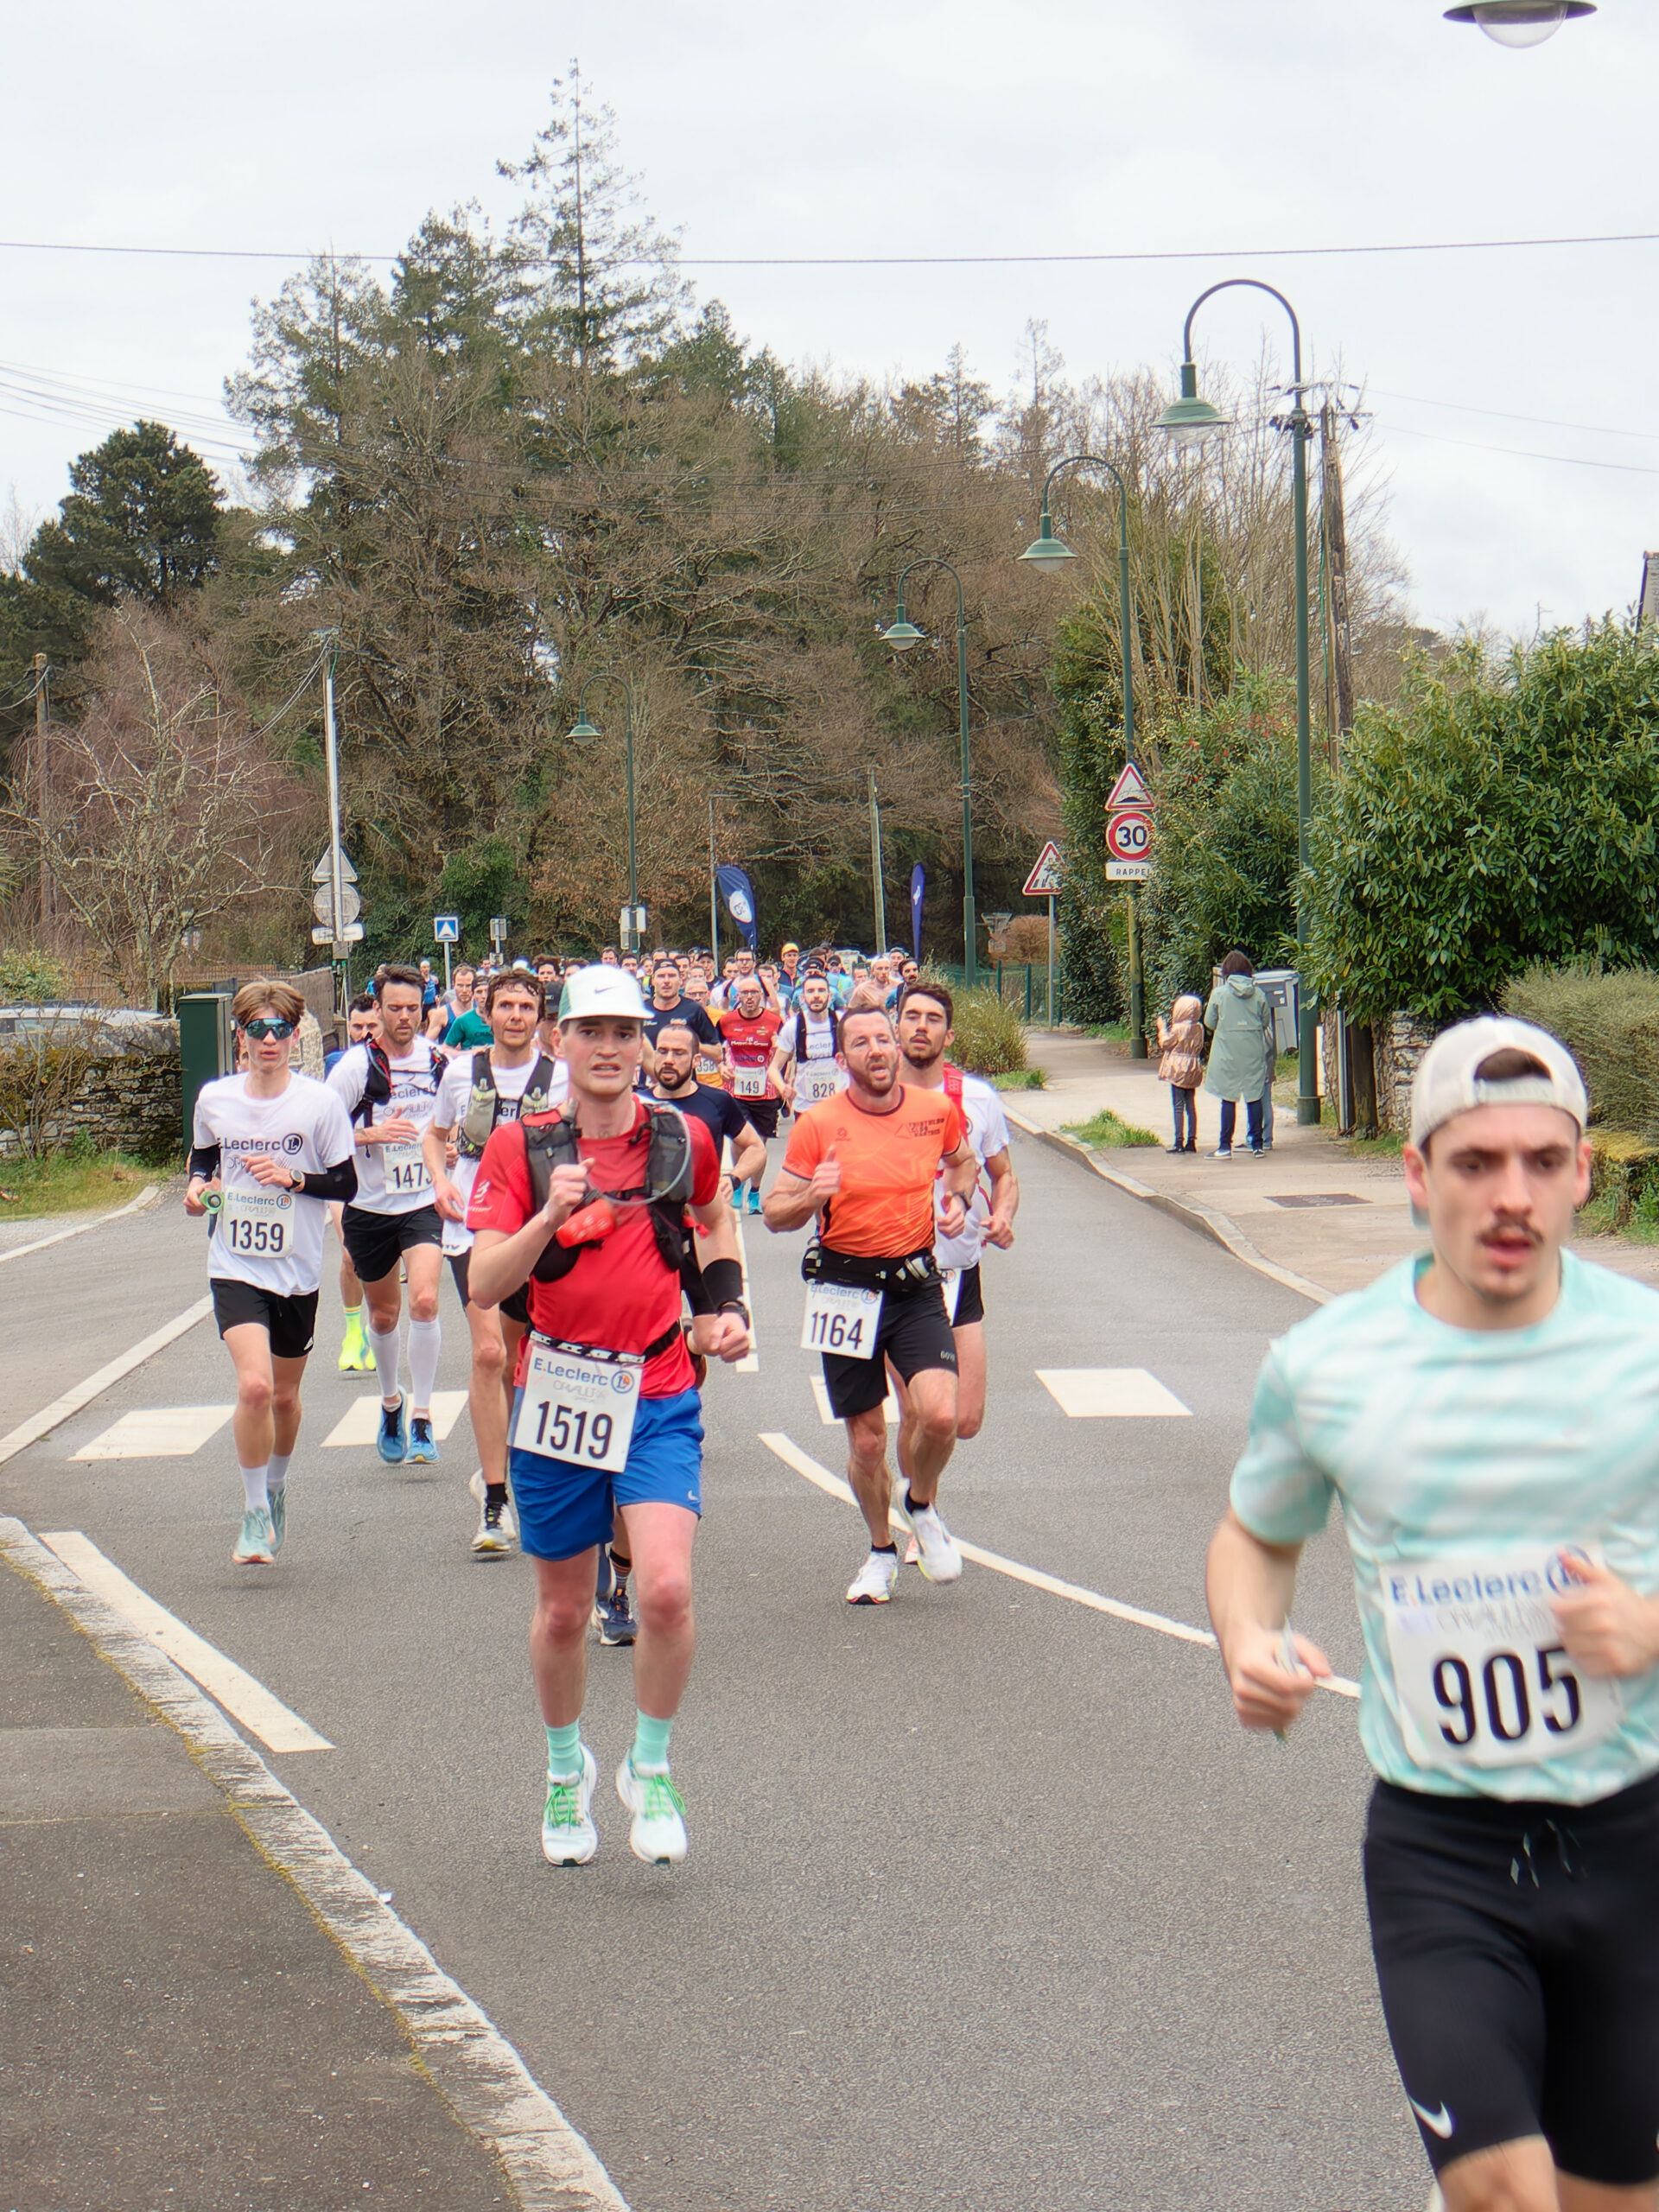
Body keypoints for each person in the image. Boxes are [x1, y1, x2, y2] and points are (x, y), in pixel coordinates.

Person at [1207, 1014, 1659, 2212]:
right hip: (1443, 1851)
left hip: (1633, 1838)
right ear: (1417, 1176)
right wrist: (1249, 1640)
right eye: (1476, 1162)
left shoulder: (1647, 1351)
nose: (1512, 1195)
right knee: (1505, 2193)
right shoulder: (1331, 1365)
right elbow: (1257, 1536)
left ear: (1582, 1171)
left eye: (1543, 1162)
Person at [467, 964, 752, 1867]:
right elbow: (484, 1282)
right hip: (559, 1396)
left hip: (659, 1388)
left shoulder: (681, 1137)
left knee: (665, 1589)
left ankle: (650, 1766)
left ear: (643, 1044)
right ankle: (565, 1771)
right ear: (560, 1041)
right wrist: (547, 1219)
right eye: (591, 1031)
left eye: (624, 1032)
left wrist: (725, 1306)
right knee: (563, 1612)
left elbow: (715, 1219)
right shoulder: (520, 1148)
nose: (608, 1048)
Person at [763, 1005, 978, 1605]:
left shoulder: (934, 1110)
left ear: (896, 1047)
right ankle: (881, 1550)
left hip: (914, 1284)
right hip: (844, 1289)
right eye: (861, 1043)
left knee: (940, 1416)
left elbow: (962, 1161)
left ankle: (921, 1504)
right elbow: (775, 1213)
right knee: (866, 1442)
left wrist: (958, 1199)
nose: (877, 1050)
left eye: (884, 1039)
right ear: (842, 1059)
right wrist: (812, 1195)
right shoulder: (819, 1124)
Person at [185, 982, 357, 1564]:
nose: (269, 1040)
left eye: (279, 1030)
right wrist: (197, 1187)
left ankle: (277, 1487)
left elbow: (346, 1182)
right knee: (255, 1387)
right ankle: (255, 1511)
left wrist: (294, 1178)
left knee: (284, 1397)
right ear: (241, 1035)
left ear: (294, 1036)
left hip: (296, 1269)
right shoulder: (215, 1099)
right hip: (234, 1261)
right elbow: (205, 1156)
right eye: (257, 1029)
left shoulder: (319, 1104)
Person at [427, 970, 565, 1556]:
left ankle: (521, 1469)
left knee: (521, 1357)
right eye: (505, 1005)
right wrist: (440, 1181)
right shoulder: (462, 1073)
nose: (515, 1015)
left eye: (526, 1007)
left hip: (537, 1230)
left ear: (539, 1017)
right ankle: (493, 1498)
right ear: (487, 1013)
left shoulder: (561, 1077)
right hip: (474, 1224)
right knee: (488, 1354)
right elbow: (434, 1135)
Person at [326, 965, 449, 1465]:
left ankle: (422, 1416)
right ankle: (391, 1401)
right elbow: (320, 1134)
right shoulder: (354, 1068)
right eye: (394, 1008)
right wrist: (368, 1135)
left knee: (425, 1300)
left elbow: (458, 1121)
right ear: (377, 1009)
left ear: (423, 1010)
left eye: (412, 1009)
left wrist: (451, 1148)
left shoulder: (438, 1062)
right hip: (369, 1205)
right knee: (383, 1313)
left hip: (421, 1201)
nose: (404, 1017)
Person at [894, 981, 1018, 1447]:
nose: (921, 1027)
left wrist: (1002, 1216)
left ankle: (917, 1485)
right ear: (896, 1026)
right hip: (894, 1271)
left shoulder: (978, 1098)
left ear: (948, 1035)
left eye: (933, 1019)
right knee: (920, 1411)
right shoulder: (873, 1095)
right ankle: (917, 1493)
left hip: (958, 1268)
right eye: (912, 1016)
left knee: (963, 1420)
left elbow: (1004, 1175)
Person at [326, 995, 381, 1371]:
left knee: (381, 1267)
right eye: (357, 1027)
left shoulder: (398, 1066)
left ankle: (378, 1331)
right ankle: (352, 1334)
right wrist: (366, 1135)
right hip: (344, 1177)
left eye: (371, 1026)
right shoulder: (339, 1066)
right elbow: (325, 1130)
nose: (363, 1033)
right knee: (350, 1255)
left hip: (383, 1179)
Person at [716, 973, 784, 1215]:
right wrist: (720, 1066)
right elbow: (715, 1048)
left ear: (762, 996)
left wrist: (777, 1050)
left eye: (754, 993)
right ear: (738, 997)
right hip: (737, 1089)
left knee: (759, 1145)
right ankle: (738, 1183)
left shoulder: (774, 1021)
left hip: (765, 1091)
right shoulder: (726, 1021)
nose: (749, 997)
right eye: (744, 993)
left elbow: (786, 1051)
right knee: (739, 1139)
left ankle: (755, 1190)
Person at [1203, 951, 1274, 1160]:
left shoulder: (1219, 994)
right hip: (1253, 1051)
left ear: (1226, 971)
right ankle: (1257, 1145)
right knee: (1254, 1096)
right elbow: (1265, 1022)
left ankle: (1225, 1146)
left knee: (1228, 1097)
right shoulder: (1258, 994)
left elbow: (1210, 1022)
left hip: (1227, 1052)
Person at [772, 964, 844, 1112]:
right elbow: (773, 1068)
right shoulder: (793, 1026)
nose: (816, 996)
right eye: (810, 991)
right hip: (805, 1107)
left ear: (830, 996)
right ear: (802, 998)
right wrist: (783, 1088)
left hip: (840, 1106)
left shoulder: (844, 1022)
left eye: (821, 990)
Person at [641, 951, 720, 1084]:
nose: (666, 981)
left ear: (681, 980)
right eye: (661, 976)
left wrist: (691, 1043)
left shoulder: (694, 1010)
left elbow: (718, 1054)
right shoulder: (641, 1011)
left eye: (672, 976)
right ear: (653, 981)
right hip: (647, 1088)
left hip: (683, 1088)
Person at [1156, 994, 1205, 1154]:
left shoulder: (1178, 1028)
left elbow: (1166, 1043)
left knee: (1178, 1105)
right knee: (1191, 1105)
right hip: (1193, 1066)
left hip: (1178, 1067)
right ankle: (1192, 1140)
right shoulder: (1199, 1028)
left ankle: (1178, 1141)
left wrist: (1162, 1029)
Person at [444, 969, 493, 1049]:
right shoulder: (462, 1021)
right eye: (479, 992)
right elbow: (446, 1049)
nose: (483, 996)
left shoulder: (502, 1018)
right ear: (472, 995)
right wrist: (472, 1053)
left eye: (487, 991)